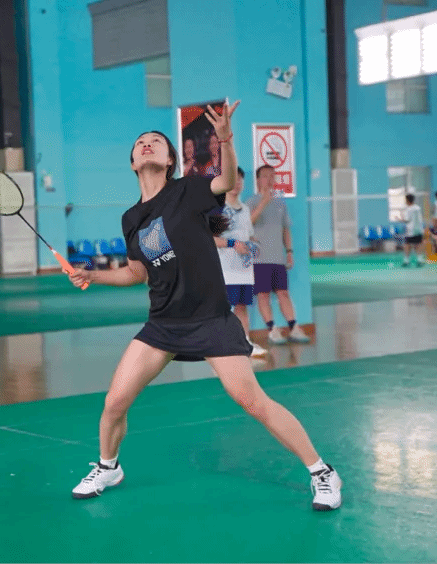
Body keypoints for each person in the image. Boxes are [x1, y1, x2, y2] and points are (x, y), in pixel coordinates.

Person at [65, 100, 342, 511]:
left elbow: (226, 179)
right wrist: (93, 275)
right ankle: (109, 466)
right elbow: (137, 271)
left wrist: (225, 140)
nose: (146, 144)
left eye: (156, 141)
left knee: (252, 401)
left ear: (170, 160)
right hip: (163, 324)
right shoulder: (131, 218)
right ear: (133, 163)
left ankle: (323, 472)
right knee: (114, 402)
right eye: (140, 142)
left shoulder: (188, 191)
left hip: (210, 320)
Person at [245, 166, 310, 345]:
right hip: (259, 259)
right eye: (265, 176)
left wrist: (289, 252)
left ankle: (294, 328)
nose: (269, 180)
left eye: (272, 176)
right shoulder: (250, 202)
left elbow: (285, 230)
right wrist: (263, 202)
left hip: (278, 259)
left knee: (283, 293)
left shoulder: (281, 203)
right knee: (263, 295)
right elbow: (247, 225)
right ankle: (272, 330)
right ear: (258, 180)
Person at [213, 166, 268, 357]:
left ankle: (246, 343)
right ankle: (221, 346)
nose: (237, 183)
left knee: (242, 308)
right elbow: (209, 239)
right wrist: (232, 244)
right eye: (233, 179)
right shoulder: (217, 209)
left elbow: (248, 236)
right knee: (224, 310)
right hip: (225, 271)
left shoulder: (245, 209)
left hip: (245, 270)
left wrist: (254, 245)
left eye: (240, 179)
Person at [402, 193, 424, 267]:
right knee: (418, 245)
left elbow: (407, 220)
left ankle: (406, 261)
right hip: (419, 229)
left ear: (407, 200)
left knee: (407, 245)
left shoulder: (409, 209)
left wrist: (400, 219)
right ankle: (420, 260)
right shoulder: (418, 208)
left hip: (411, 230)